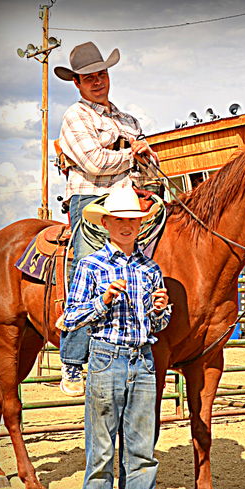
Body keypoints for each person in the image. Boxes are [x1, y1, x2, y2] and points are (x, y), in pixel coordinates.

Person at [62, 177, 173, 489]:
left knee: (142, 453)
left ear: (141, 223)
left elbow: (159, 324)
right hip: (106, 358)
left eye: (134, 219)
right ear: (105, 223)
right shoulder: (91, 265)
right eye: (119, 219)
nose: (128, 225)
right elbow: (70, 317)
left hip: (143, 360)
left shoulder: (151, 268)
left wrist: (161, 308)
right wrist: (102, 301)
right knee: (102, 454)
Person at [54, 41, 160, 397]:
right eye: (89, 78)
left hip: (129, 199)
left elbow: (149, 165)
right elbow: (95, 163)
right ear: (77, 83)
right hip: (90, 198)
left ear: (108, 76)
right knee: (88, 263)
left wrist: (146, 162)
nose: (97, 82)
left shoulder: (128, 120)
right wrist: (134, 153)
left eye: (101, 74)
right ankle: (71, 359)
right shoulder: (75, 117)